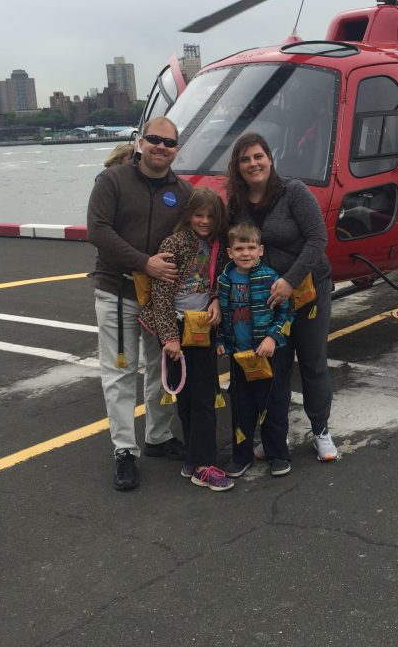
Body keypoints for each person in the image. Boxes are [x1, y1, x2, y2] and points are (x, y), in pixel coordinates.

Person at [87, 116, 194, 491]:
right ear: (140, 142)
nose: (160, 147)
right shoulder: (112, 181)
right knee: (119, 372)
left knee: (160, 369)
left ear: (176, 149)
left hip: (160, 300)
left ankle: (159, 436)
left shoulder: (182, 192)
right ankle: (124, 451)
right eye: (154, 139)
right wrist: (143, 261)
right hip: (117, 291)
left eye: (169, 143)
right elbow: (97, 230)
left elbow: (198, 233)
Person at [225, 132, 338, 462]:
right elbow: (229, 250)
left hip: (307, 291)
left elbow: (317, 240)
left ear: (270, 159)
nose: (252, 163)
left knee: (313, 361)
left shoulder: (294, 192)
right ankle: (276, 436)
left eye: (258, 156)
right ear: (237, 167)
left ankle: (321, 431)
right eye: (245, 159)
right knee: (276, 368)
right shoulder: (237, 204)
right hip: (267, 300)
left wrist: (290, 280)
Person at [138, 188, 232, 492]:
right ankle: (204, 465)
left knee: (198, 395)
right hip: (177, 331)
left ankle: (194, 458)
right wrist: (169, 338)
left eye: (210, 216)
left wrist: (216, 298)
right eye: (198, 215)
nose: (204, 221)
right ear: (188, 215)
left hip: (202, 326)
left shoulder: (217, 243)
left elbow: (216, 280)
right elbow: (161, 295)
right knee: (196, 398)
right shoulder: (175, 243)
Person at [215, 222, 294, 478]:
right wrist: (221, 342)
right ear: (230, 252)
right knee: (241, 409)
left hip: (267, 355)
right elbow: (223, 317)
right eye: (240, 248)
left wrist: (272, 337)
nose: (245, 253)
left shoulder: (271, 278)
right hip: (240, 357)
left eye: (251, 247)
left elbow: (286, 312)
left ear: (260, 250)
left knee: (272, 406)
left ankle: (278, 454)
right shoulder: (225, 280)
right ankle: (242, 455)